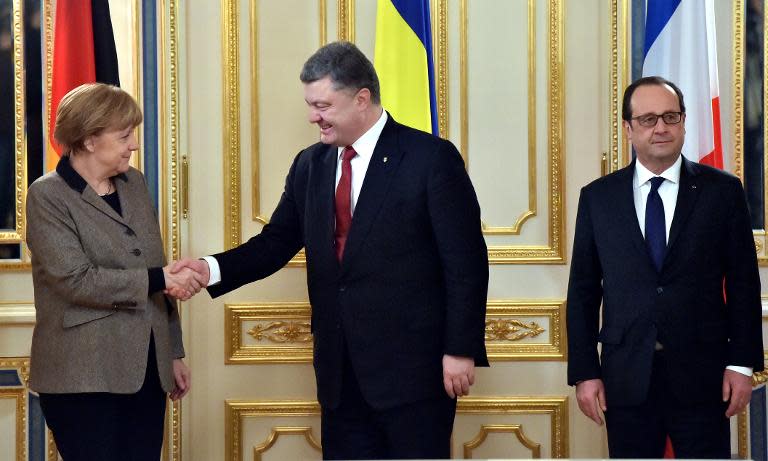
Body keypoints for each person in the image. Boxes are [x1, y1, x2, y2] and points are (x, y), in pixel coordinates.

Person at [171, 41, 489, 460]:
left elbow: (465, 263)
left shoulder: (430, 159)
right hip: (340, 376)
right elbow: (275, 243)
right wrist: (208, 269)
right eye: (309, 104)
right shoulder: (311, 165)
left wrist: (460, 348)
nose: (312, 117)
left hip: (416, 374)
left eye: (322, 105)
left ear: (361, 99)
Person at [567, 76, 764, 458]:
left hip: (703, 375)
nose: (661, 127)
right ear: (627, 128)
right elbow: (584, 291)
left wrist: (742, 364)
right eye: (648, 119)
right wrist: (585, 372)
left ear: (684, 122)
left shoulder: (722, 192)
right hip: (626, 377)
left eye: (671, 117)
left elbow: (742, 283)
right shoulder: (598, 198)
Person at [26, 83, 200, 461]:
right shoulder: (47, 196)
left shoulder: (134, 184)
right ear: (89, 140)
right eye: (124, 136)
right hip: (82, 375)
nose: (134, 145)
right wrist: (161, 278)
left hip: (147, 369)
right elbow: (75, 280)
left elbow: (155, 265)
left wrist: (173, 352)